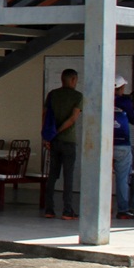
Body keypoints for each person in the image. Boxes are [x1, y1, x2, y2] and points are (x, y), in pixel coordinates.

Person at [43, 69, 82, 219]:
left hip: (53, 141)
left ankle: (49, 209)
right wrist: (59, 131)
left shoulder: (52, 94)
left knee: (52, 175)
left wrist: (47, 136)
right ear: (73, 79)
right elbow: (73, 118)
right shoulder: (77, 96)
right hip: (68, 141)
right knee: (68, 175)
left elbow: (45, 115)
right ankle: (67, 210)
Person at [112, 76, 134, 219]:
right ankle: (123, 209)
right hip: (122, 144)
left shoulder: (103, 98)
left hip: (105, 144)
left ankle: (100, 207)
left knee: (100, 177)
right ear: (121, 88)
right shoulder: (125, 101)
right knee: (122, 178)